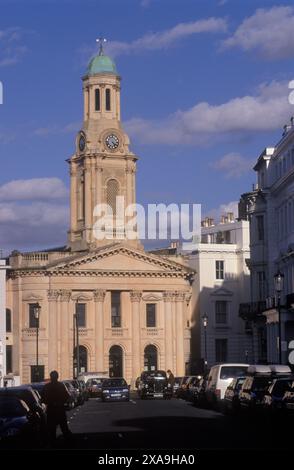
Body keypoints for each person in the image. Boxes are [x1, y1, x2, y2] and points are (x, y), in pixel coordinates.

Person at [42, 370, 72, 445]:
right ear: (57, 377)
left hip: (51, 411)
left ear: (51, 377)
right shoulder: (61, 386)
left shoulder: (47, 387)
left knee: (52, 431)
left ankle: (53, 444)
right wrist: (61, 402)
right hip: (60, 410)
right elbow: (67, 396)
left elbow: (43, 399)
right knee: (64, 429)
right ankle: (69, 444)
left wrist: (50, 402)